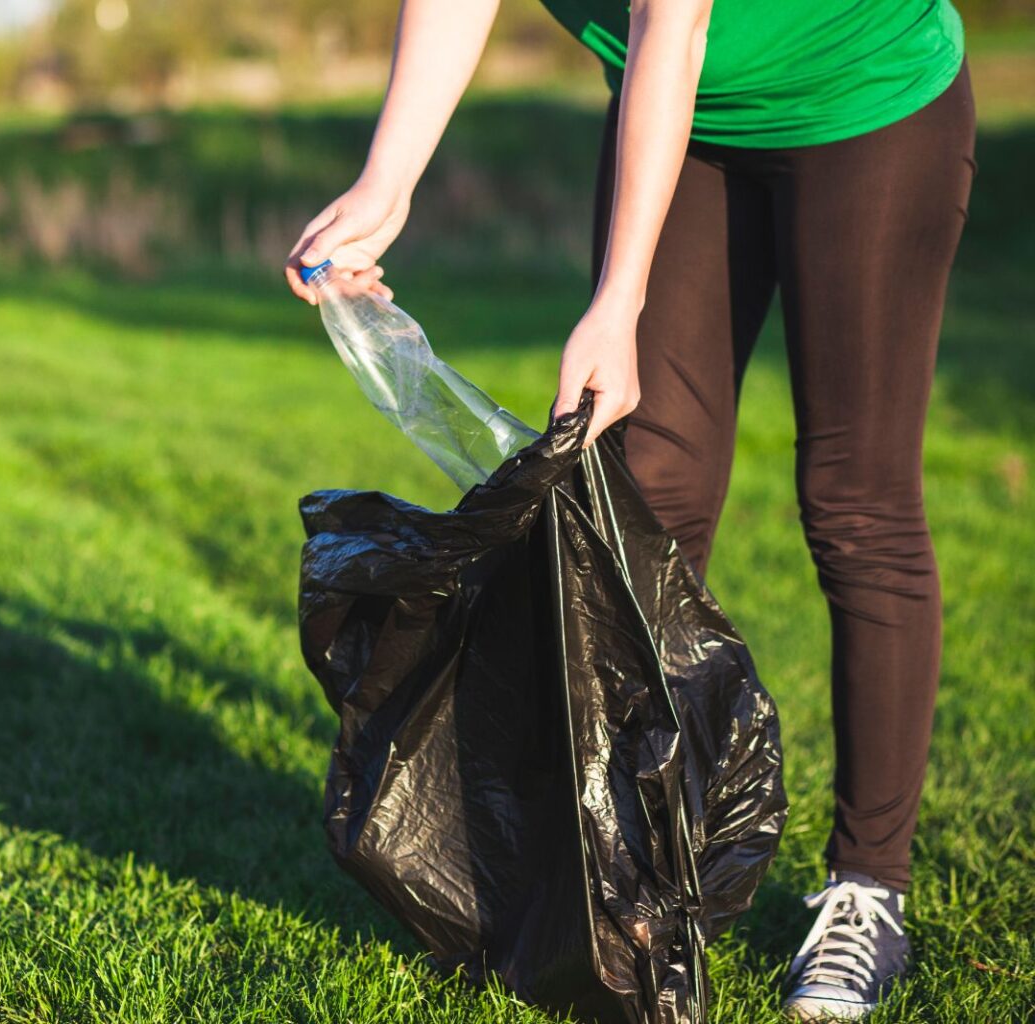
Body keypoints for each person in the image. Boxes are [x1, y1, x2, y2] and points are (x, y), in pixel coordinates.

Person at [284, 0, 975, 1018]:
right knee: (648, 492)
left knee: (854, 503)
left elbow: (670, 20)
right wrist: (387, 181)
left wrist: (619, 303)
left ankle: (868, 886)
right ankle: (626, 868)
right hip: (687, 121)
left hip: (861, 101)